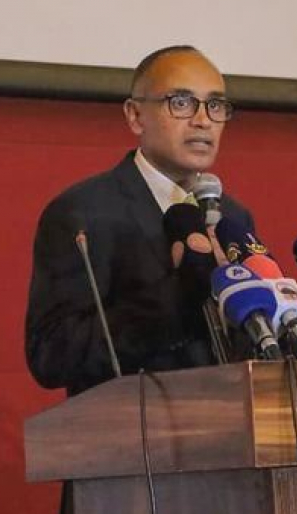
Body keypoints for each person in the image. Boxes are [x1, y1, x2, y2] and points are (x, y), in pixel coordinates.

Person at [25, 45, 255, 396]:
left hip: (226, 417)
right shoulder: (84, 212)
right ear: (135, 116)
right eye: (181, 102)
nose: (203, 120)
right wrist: (176, 300)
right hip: (128, 424)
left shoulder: (233, 216)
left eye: (215, 105)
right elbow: (51, 354)